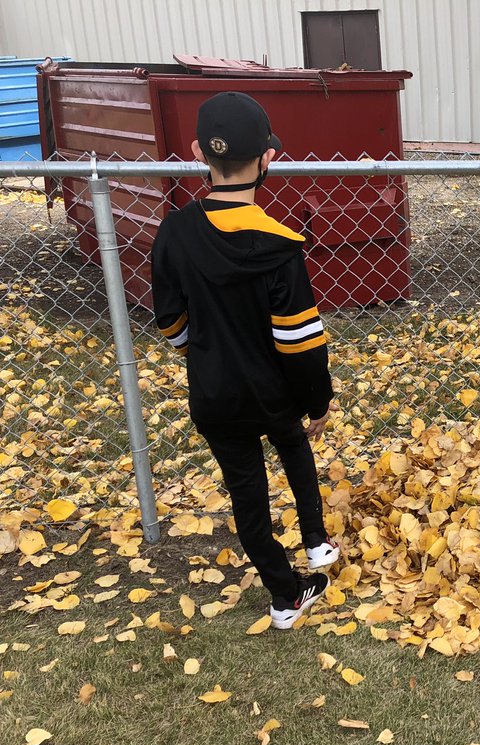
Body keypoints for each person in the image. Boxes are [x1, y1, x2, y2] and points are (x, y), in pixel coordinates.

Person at [152, 91, 339, 630]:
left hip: (215, 395)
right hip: (274, 392)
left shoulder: (174, 232)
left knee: (247, 497)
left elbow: (170, 323)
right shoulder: (281, 244)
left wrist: (202, 351)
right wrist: (317, 401)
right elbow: (300, 340)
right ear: (267, 159)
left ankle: (285, 597)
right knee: (295, 446)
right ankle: (315, 541)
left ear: (196, 152)